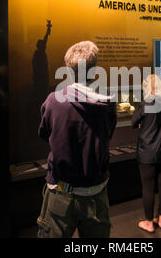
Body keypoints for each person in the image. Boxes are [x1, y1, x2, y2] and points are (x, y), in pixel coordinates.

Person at [37, 41, 117, 238]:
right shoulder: (107, 103)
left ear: (68, 69)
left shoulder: (54, 101)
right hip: (96, 192)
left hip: (62, 192)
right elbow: (108, 134)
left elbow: (44, 134)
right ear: (94, 69)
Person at [131, 74, 161, 233]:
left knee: (148, 187)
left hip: (147, 152)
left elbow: (133, 122)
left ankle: (149, 222)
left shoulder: (146, 103)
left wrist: (143, 122)